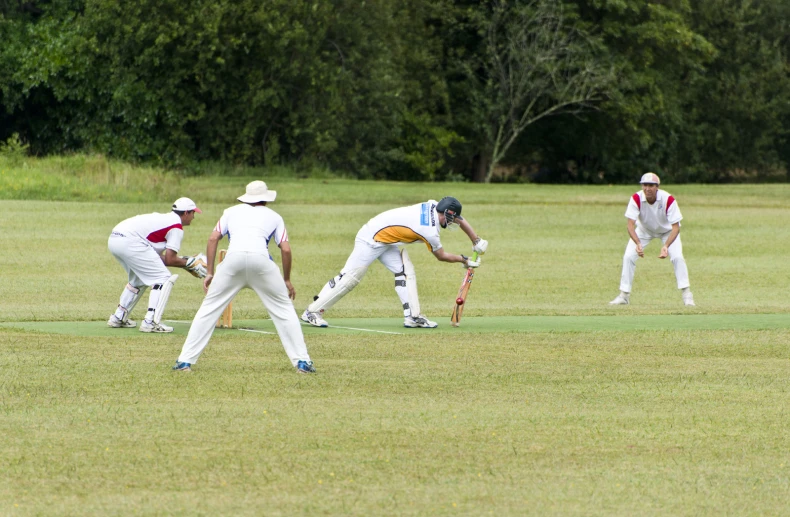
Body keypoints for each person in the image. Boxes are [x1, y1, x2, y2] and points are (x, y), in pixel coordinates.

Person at [172, 181, 315, 374]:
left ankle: (184, 361)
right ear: (265, 199)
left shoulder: (230, 211)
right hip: (262, 262)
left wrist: (211, 272)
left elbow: (213, 238)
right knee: (284, 310)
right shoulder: (275, 216)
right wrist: (287, 280)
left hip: (232, 262)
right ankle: (303, 362)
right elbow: (286, 249)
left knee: (208, 309)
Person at [301, 197, 488, 328]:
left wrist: (476, 240)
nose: (454, 221)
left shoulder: (433, 204)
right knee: (350, 277)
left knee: (405, 271)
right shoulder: (430, 231)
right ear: (445, 214)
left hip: (386, 239)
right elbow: (441, 256)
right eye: (451, 218)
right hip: (371, 239)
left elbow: (459, 218)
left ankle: (412, 317)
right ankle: (312, 312)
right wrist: (463, 260)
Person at [107, 197, 207, 333]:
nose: (193, 217)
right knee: (163, 278)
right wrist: (189, 263)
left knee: (138, 278)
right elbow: (171, 260)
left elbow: (156, 258)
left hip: (115, 238)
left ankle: (118, 317)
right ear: (185, 213)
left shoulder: (165, 219)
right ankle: (151, 322)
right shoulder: (176, 227)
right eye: (193, 213)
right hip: (130, 241)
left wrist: (186, 262)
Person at [609, 172, 695, 306]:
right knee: (628, 257)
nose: (647, 188)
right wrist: (637, 243)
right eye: (645, 185)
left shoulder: (668, 199)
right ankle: (624, 296)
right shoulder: (636, 198)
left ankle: (687, 296)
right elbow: (630, 225)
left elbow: (676, 228)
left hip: (667, 232)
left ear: (657, 187)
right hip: (644, 230)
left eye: (651, 185)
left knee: (677, 257)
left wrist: (666, 246)